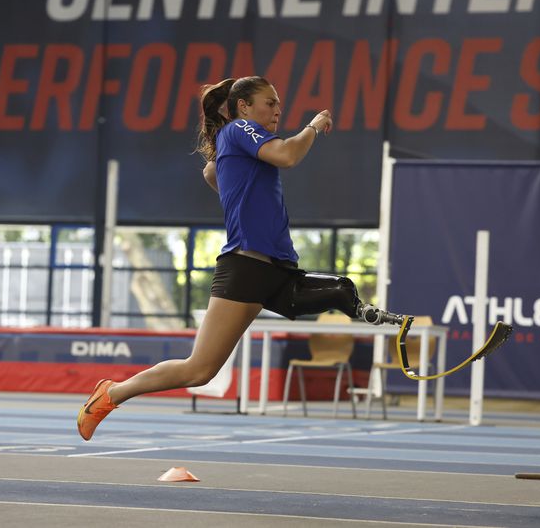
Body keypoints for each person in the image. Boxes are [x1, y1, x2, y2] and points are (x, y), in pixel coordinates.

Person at [77, 76, 405, 441]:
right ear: (244, 106)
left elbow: (213, 172)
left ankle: (371, 313)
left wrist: (235, 182)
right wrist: (313, 125)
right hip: (246, 267)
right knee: (199, 370)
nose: (278, 109)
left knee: (341, 289)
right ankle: (111, 394)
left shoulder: (242, 147)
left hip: (278, 269)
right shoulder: (239, 129)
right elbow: (288, 155)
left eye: (280, 104)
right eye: (270, 102)